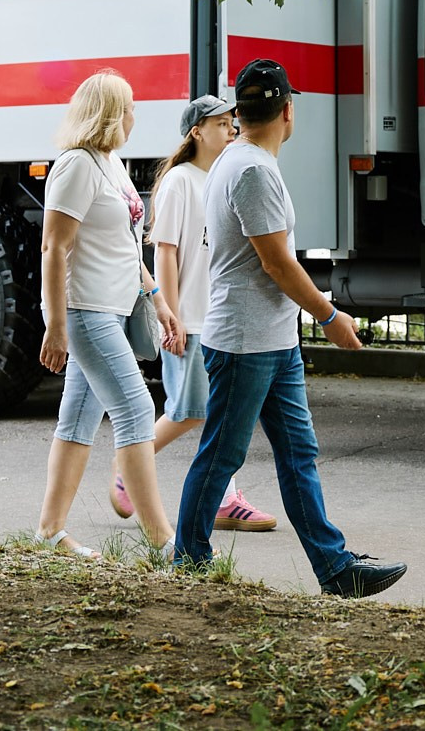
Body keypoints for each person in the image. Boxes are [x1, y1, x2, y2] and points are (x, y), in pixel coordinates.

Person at [175, 58, 406, 598]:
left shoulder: (238, 159)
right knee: (223, 454)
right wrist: (328, 316)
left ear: (240, 113)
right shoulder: (251, 170)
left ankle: (335, 568)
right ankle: (189, 561)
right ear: (287, 111)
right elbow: (277, 263)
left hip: (271, 340)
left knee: (298, 452)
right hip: (244, 342)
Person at [108, 95, 278, 533]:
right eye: (221, 124)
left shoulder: (225, 177)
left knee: (218, 411)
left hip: (220, 318)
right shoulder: (181, 181)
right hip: (189, 319)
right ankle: (129, 464)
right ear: (196, 132)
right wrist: (173, 315)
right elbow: (166, 251)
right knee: (188, 410)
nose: (231, 130)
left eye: (232, 123)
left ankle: (225, 499)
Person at [34, 71, 182, 558]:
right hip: (86, 311)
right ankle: (163, 543)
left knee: (78, 419)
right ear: (109, 113)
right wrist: (55, 325)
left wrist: (156, 296)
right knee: (137, 409)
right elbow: (54, 247)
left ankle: (50, 532)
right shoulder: (76, 165)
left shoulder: (110, 163)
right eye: (129, 106)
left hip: (115, 307)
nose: (135, 115)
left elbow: (125, 243)